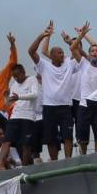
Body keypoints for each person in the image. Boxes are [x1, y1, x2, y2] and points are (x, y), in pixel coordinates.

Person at [29, 20, 79, 160]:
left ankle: (68, 160)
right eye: (59, 52)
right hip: (49, 107)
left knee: (68, 136)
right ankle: (54, 162)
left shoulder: (69, 64)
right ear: (52, 55)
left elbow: (80, 55)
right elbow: (31, 51)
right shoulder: (44, 66)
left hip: (65, 107)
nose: (62, 55)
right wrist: (42, 36)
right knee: (51, 138)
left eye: (63, 52)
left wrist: (70, 42)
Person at [69, 23, 97, 154]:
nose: (94, 53)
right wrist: (81, 35)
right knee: (82, 136)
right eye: (92, 51)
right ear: (88, 54)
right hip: (84, 104)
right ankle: (83, 154)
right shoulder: (83, 64)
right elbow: (73, 47)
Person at [0, 64, 39, 166]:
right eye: (14, 76)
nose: (16, 78)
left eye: (17, 75)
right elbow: (9, 103)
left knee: (26, 144)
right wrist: (6, 97)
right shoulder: (14, 85)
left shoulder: (32, 80)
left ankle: (24, 168)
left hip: (28, 117)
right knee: (6, 140)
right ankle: (0, 164)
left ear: (23, 72)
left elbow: (35, 95)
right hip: (15, 116)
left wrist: (19, 97)